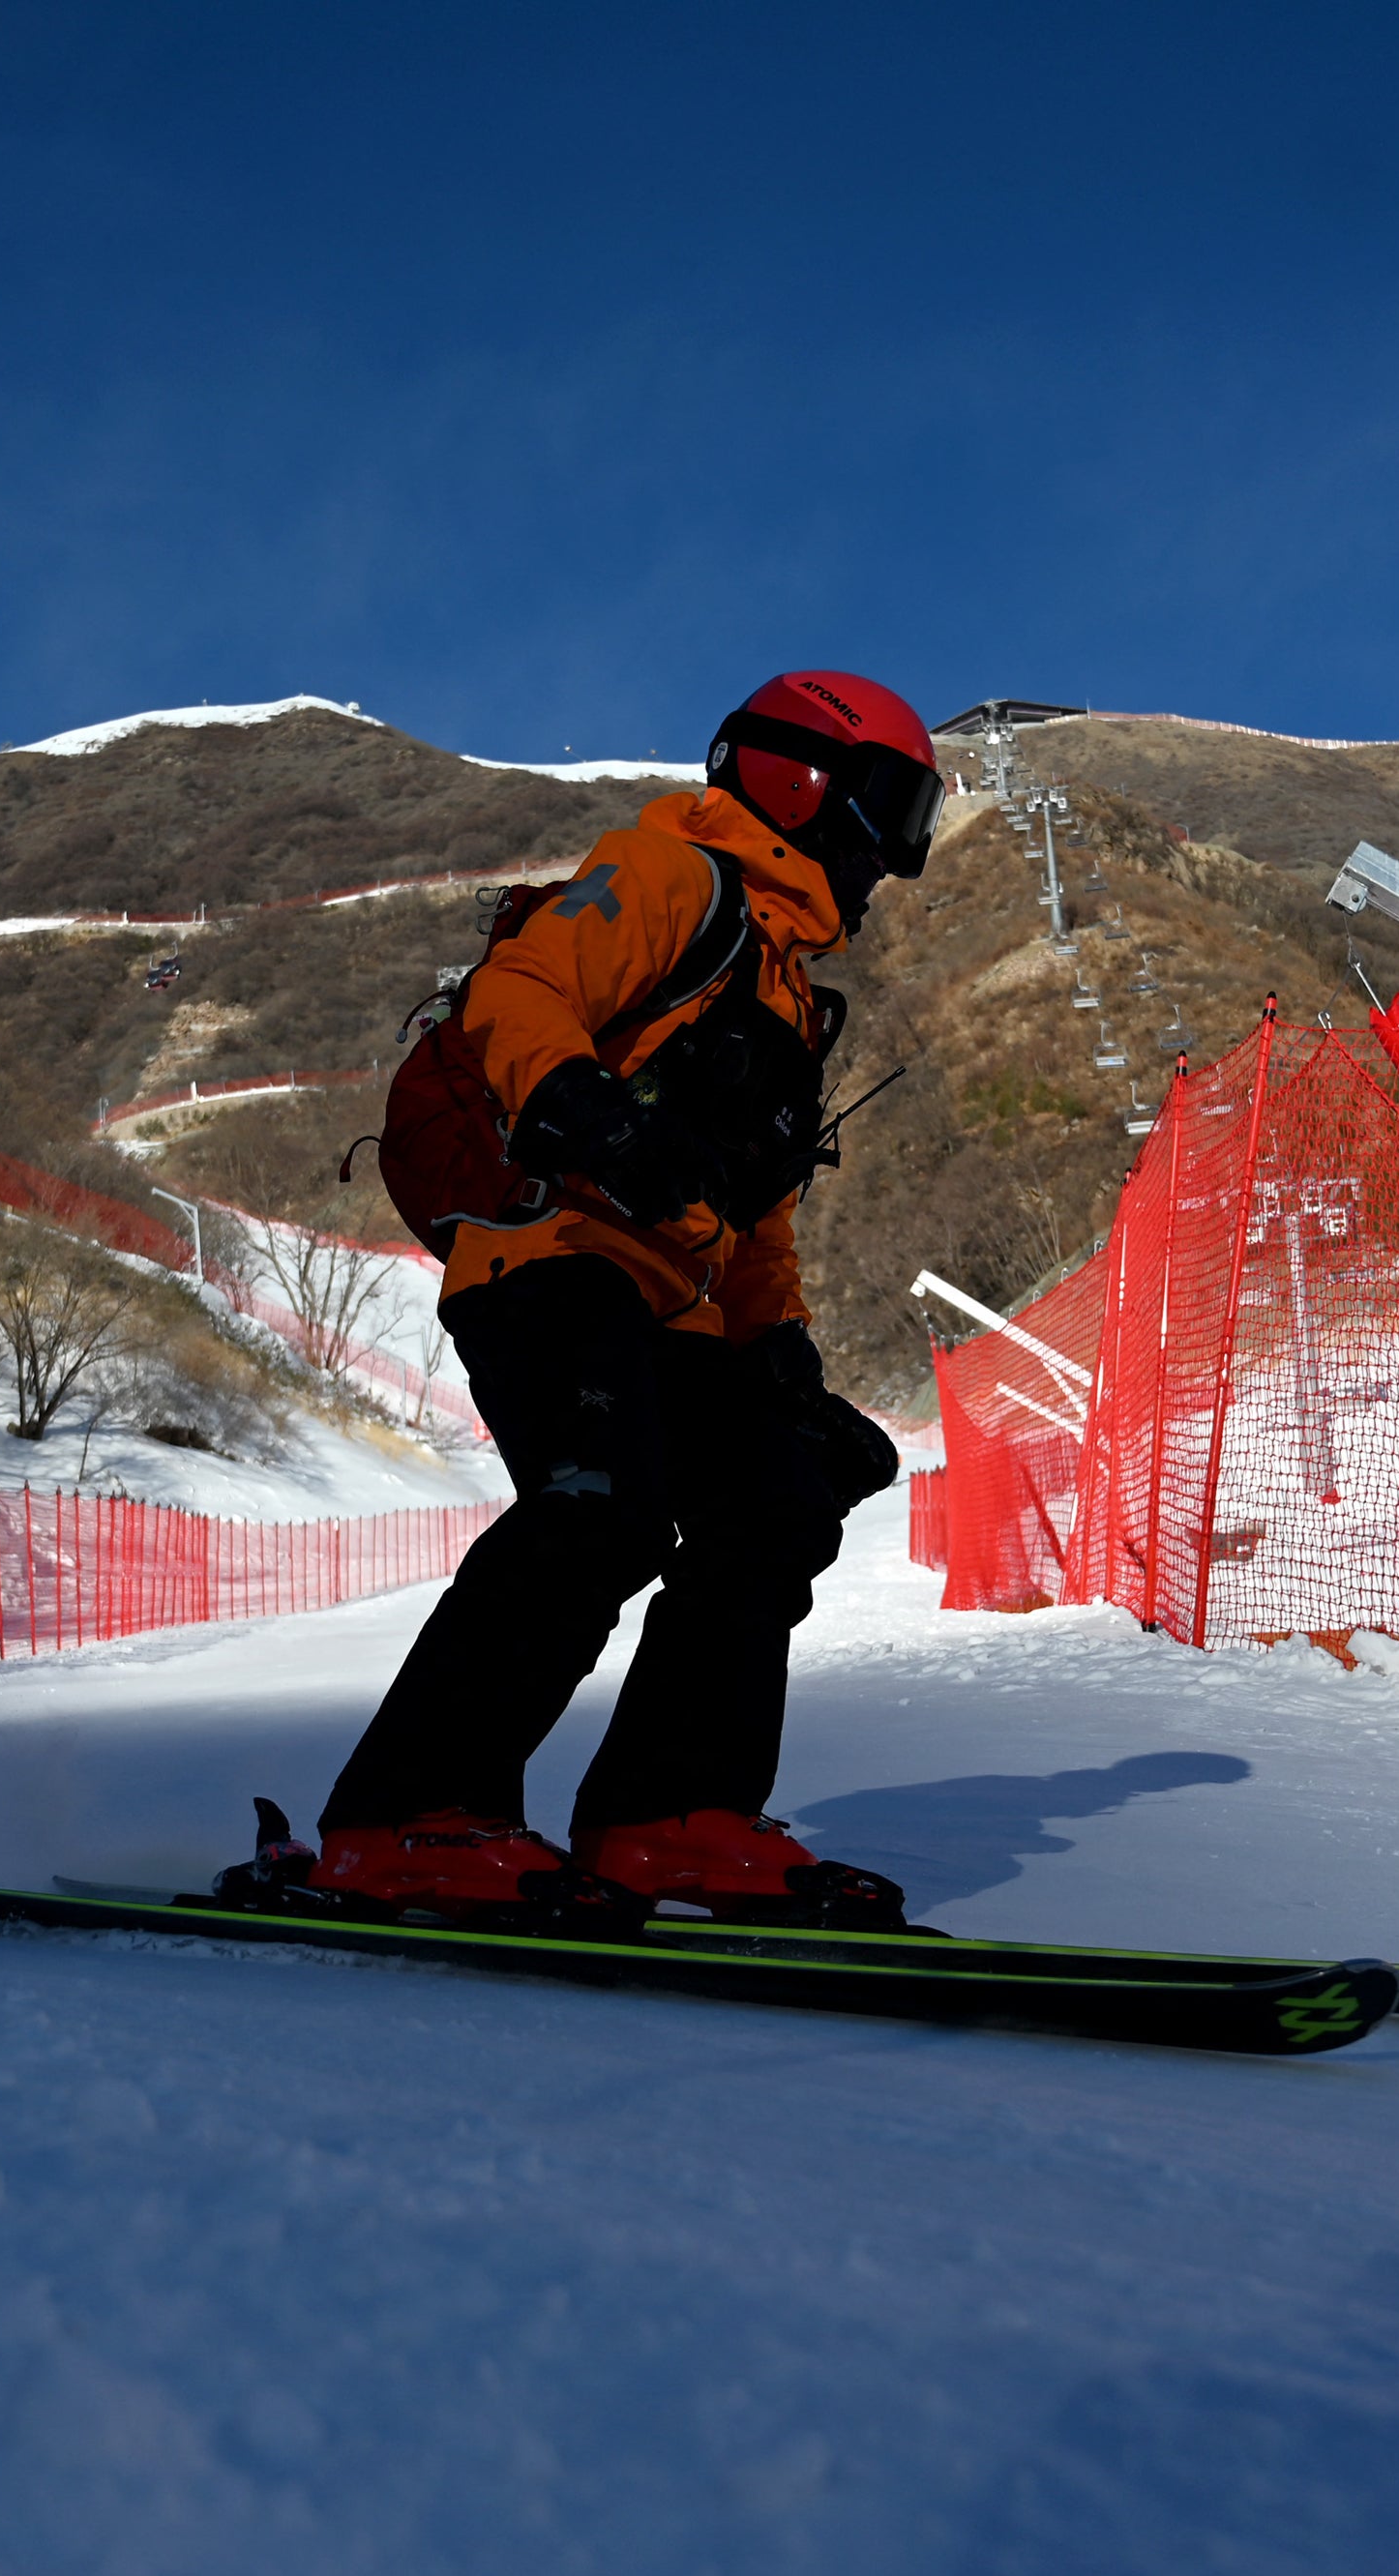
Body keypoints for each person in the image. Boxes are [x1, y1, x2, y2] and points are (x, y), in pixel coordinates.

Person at [297, 670, 943, 1925]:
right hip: (546, 1252)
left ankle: (668, 1818)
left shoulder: (788, 993)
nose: (896, 857)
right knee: (603, 1510)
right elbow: (520, 991)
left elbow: (757, 1221)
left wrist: (784, 1358)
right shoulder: (668, 878)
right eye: (893, 807)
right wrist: (575, 1102)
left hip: (674, 1307)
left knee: (776, 1501)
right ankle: (406, 1820)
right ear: (799, 777)